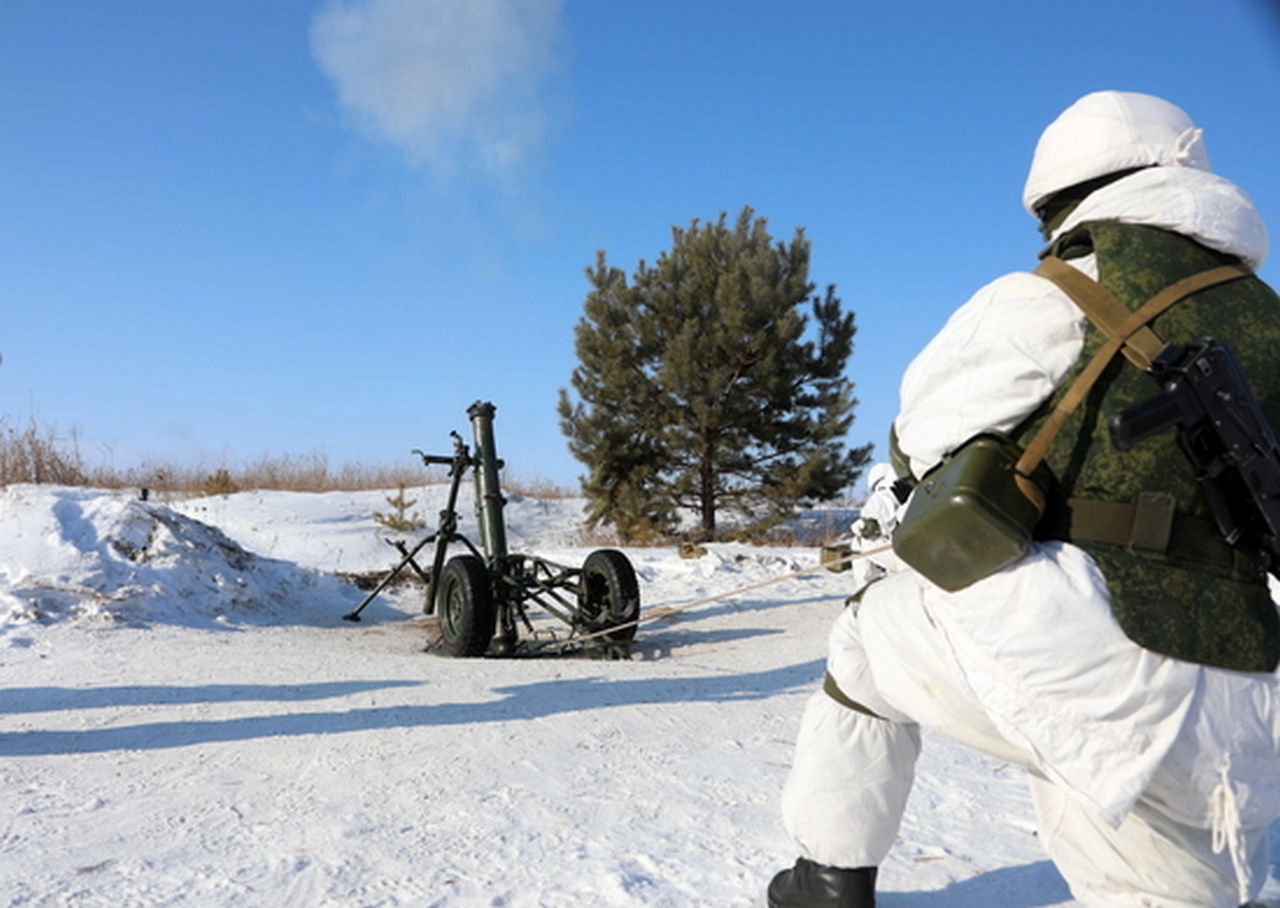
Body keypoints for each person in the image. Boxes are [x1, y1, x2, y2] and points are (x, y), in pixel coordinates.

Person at [768, 90, 1280, 908]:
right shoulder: (1270, 318)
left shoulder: (1051, 294)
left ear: (1062, 196)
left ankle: (826, 881)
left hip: (1092, 657)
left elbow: (920, 439)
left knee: (863, 641)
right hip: (1251, 684)